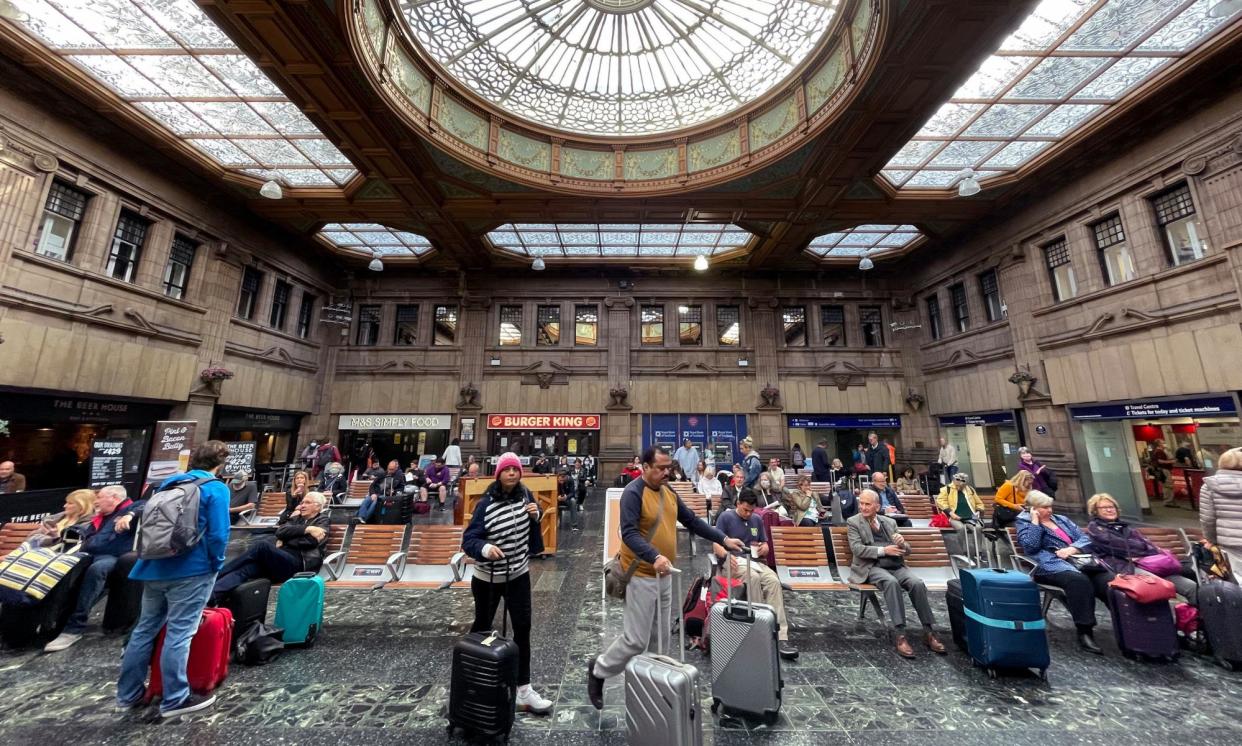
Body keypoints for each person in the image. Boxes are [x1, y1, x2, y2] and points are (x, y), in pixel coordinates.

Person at [586, 446, 743, 710]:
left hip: (666, 575)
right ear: (645, 467)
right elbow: (629, 533)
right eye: (660, 468)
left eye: (668, 467)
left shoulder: (669, 492)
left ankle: (652, 687)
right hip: (641, 575)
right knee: (636, 639)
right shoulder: (633, 494)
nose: (666, 472)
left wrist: (724, 538)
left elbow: (693, 521)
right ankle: (599, 669)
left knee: (661, 640)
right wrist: (655, 556)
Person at [116, 440, 231, 717]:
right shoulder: (215, 488)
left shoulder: (168, 484)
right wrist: (216, 563)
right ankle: (175, 698)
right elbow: (218, 534)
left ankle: (128, 694)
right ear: (220, 464)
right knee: (180, 633)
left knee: (144, 630)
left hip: (153, 566)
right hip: (191, 568)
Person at [461, 452, 552, 715]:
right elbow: (470, 540)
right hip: (488, 579)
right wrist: (485, 548)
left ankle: (524, 689)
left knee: (522, 630)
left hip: (518, 576)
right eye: (507, 469)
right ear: (498, 473)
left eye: (515, 469)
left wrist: (537, 517)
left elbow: (532, 531)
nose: (512, 473)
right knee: (481, 631)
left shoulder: (527, 497)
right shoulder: (485, 503)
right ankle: (474, 686)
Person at [43, 485, 144, 652]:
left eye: (100, 497)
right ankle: (52, 620)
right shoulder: (100, 517)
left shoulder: (127, 509)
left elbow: (145, 504)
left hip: (112, 556)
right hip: (89, 553)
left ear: (114, 498)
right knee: (64, 568)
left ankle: (75, 627)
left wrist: (129, 515)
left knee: (96, 570)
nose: (96, 501)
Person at [847, 490, 946, 658]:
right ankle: (900, 634)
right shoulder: (853, 522)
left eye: (867, 504)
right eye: (861, 504)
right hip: (872, 567)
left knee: (917, 583)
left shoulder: (889, 522)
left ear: (877, 506)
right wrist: (883, 550)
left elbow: (906, 550)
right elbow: (856, 549)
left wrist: (903, 544)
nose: (863, 507)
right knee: (891, 583)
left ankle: (929, 631)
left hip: (896, 565)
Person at [1016, 491, 1113, 654]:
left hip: (1080, 561)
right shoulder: (1025, 523)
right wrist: (1035, 522)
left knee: (1108, 580)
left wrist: (1072, 548)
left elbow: (1085, 538)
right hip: (1049, 565)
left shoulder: (1062, 520)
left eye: (1050, 506)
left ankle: (1126, 623)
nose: (1050, 510)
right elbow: (1031, 547)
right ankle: (1085, 631)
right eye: (1045, 507)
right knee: (1079, 581)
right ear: (1033, 509)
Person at [713, 490, 799, 659]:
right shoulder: (725, 517)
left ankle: (780, 635)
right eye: (745, 510)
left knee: (773, 581)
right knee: (753, 578)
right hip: (734, 562)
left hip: (755, 562)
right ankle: (758, 631)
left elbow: (764, 543)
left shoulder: (756, 520)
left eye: (751, 510)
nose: (748, 513)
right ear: (738, 504)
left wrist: (765, 548)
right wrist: (724, 555)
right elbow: (716, 543)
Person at [212, 491, 330, 599]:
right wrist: (307, 529)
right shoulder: (297, 519)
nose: (302, 505)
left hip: (300, 566)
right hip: (281, 561)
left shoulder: (323, 521)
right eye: (302, 502)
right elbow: (280, 531)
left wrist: (286, 539)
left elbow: (310, 542)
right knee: (248, 569)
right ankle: (211, 595)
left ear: (317, 506)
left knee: (262, 545)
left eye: (307, 503)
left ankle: (216, 575)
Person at [1085, 493, 1197, 605]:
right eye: (1104, 508)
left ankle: (1197, 619)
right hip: (1127, 568)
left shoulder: (1124, 527)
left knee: (1191, 587)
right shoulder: (1095, 528)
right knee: (1159, 587)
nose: (1110, 510)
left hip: (1149, 564)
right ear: (1095, 511)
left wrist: (1140, 552)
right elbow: (1120, 547)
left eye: (1112, 507)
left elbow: (1150, 547)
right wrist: (1140, 549)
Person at [1201, 447, 1242, 567]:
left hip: (1229, 541)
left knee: (1237, 576)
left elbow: (1208, 519)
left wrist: (1212, 540)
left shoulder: (1208, 486)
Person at [25, 488, 94, 548]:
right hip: (40, 553)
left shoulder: (89, 525)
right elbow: (32, 538)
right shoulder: (52, 521)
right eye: (66, 502)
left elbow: (73, 545)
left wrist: (52, 539)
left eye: (70, 503)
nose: (64, 506)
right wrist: (53, 539)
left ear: (82, 506)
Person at [934, 473, 983, 556]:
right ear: (954, 480)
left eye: (962, 482)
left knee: (978, 528)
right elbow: (941, 501)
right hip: (954, 516)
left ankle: (979, 552)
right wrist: (950, 512)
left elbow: (979, 503)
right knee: (960, 528)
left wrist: (978, 511)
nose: (959, 484)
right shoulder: (947, 489)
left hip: (970, 516)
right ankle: (964, 552)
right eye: (957, 481)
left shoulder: (970, 489)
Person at [1149, 439, 1177, 506]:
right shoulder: (1159, 452)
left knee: (1166, 486)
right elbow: (1160, 461)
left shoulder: (1159, 451)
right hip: (1164, 470)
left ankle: (1168, 500)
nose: (1164, 444)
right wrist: (1171, 462)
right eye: (1163, 443)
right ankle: (1169, 501)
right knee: (1168, 485)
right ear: (1159, 444)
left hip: (1161, 470)